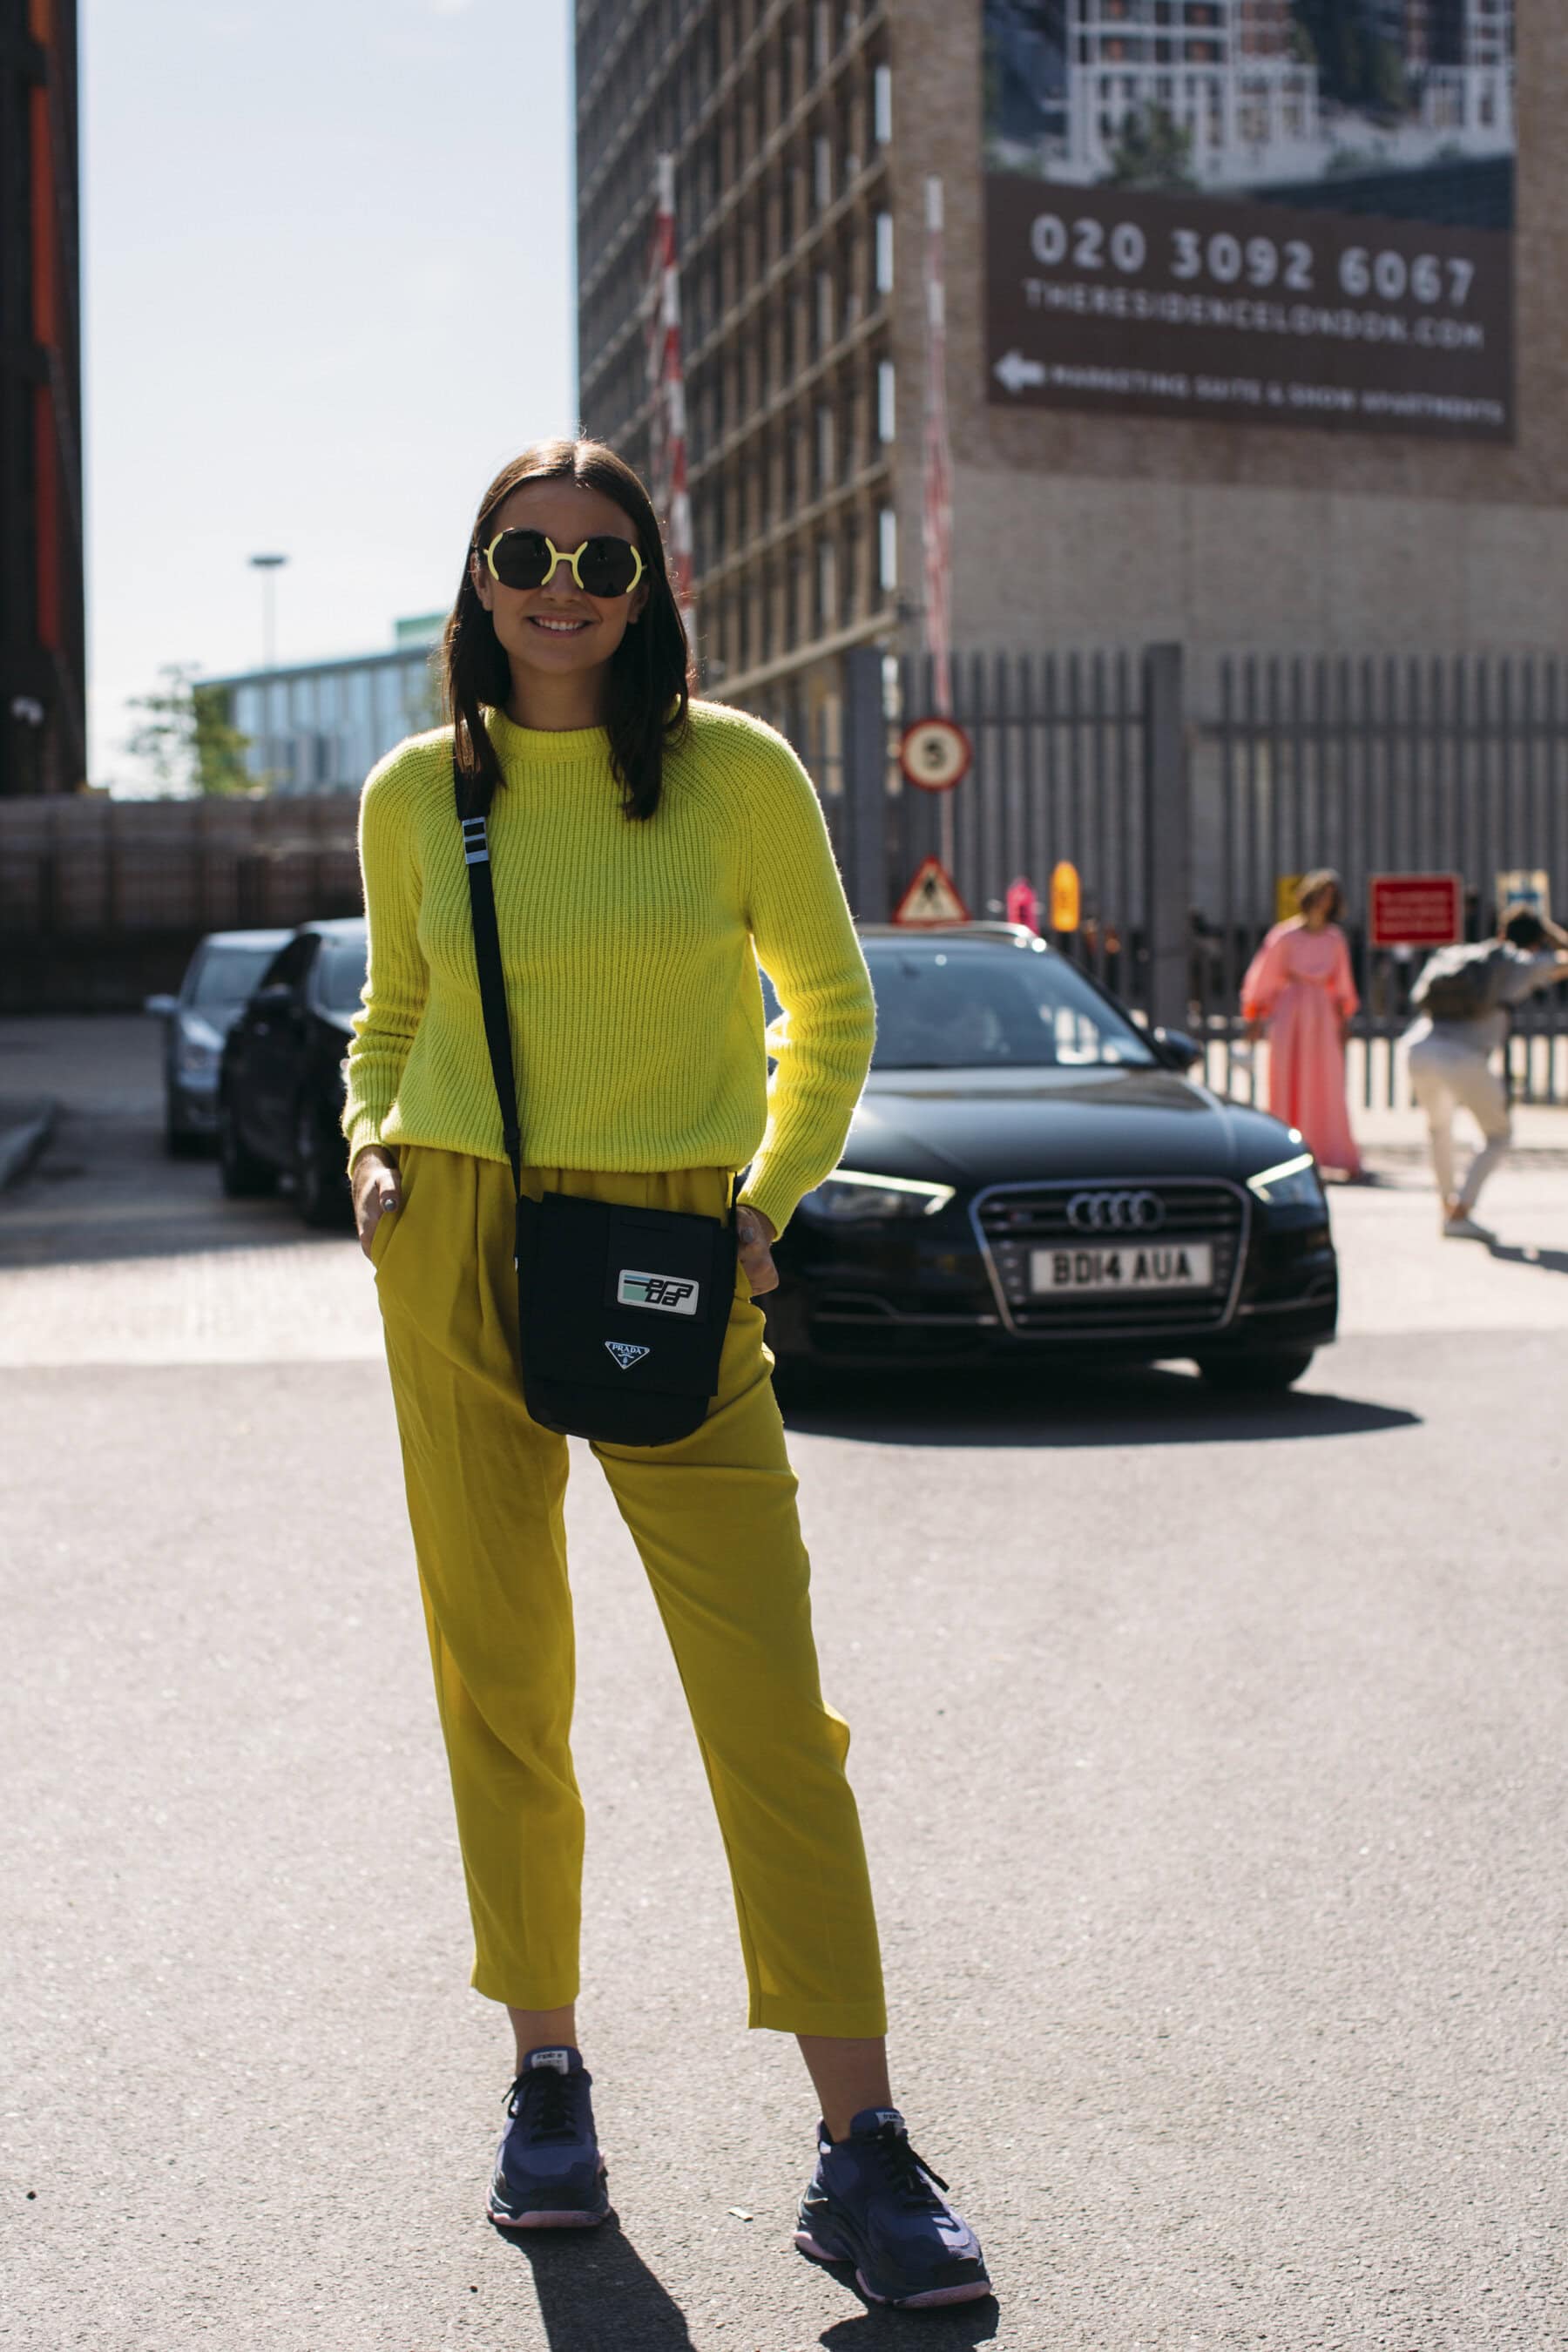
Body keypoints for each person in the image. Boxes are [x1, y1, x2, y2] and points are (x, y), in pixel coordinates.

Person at [341, 438, 991, 2313]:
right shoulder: (416, 792)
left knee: (770, 1706)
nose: (562, 587)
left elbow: (830, 1008)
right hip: (455, 1232)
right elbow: (391, 1015)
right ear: (480, 580)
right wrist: (369, 1145)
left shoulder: (736, 772)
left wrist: (767, 1201)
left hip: (669, 1249)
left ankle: (862, 2145)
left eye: (601, 561)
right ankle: (546, 2083)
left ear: (649, 592)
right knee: (501, 1679)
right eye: (527, 554)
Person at [1405, 905, 1568, 1240]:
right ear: (1536, 940)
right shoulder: (1520, 964)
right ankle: (1460, 1211)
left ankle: (1447, 1207)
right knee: (1499, 1134)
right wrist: (1553, 935)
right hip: (1462, 1056)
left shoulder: (1464, 954)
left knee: (1439, 1129)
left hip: (1418, 1046)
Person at [1240, 869, 1362, 1178]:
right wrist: (1255, 1015)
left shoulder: (1335, 939)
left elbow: (1343, 982)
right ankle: (1284, 1151)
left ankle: (1329, 1151)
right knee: (1286, 1076)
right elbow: (1265, 975)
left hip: (1322, 1015)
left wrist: (1344, 1019)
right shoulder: (1284, 936)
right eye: (1320, 895)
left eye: (1330, 897)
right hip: (1290, 1012)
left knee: (1325, 1079)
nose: (1324, 902)